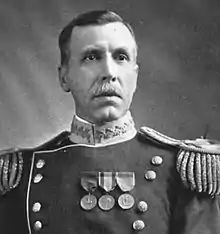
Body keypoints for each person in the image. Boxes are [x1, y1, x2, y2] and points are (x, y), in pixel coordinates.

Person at [0, 9, 220, 234]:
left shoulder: (184, 170)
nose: (109, 72)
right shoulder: (19, 175)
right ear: (64, 77)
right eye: (91, 57)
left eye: (121, 57)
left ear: (134, 76)